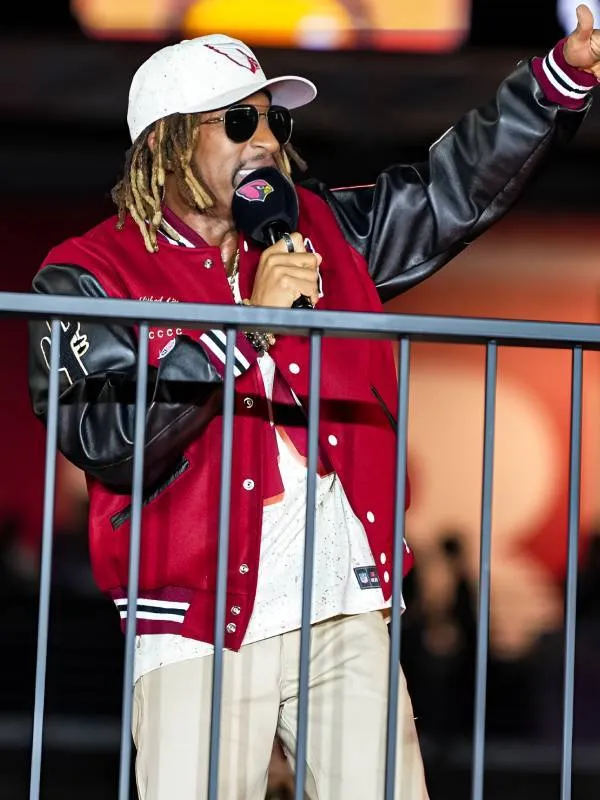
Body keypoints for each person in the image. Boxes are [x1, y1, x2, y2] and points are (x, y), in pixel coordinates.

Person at [27, 5, 600, 799]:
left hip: (344, 605)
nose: (266, 141)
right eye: (239, 122)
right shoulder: (90, 273)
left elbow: (449, 191)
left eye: (275, 123)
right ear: (165, 144)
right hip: (197, 617)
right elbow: (102, 436)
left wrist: (555, 81)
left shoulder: (319, 232)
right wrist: (244, 331)